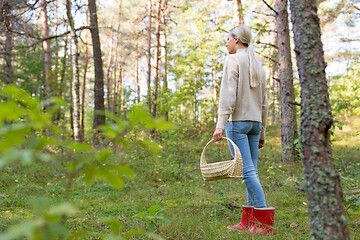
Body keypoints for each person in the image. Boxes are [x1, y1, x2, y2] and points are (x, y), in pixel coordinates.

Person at [212, 25, 275, 235]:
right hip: (255, 124)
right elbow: (265, 102)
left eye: (228, 39)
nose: (227, 43)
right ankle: (248, 221)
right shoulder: (258, 63)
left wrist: (220, 124)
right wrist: (263, 131)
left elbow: (227, 95)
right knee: (251, 172)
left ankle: (264, 222)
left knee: (247, 172)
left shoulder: (233, 60)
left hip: (237, 123)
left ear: (237, 39)